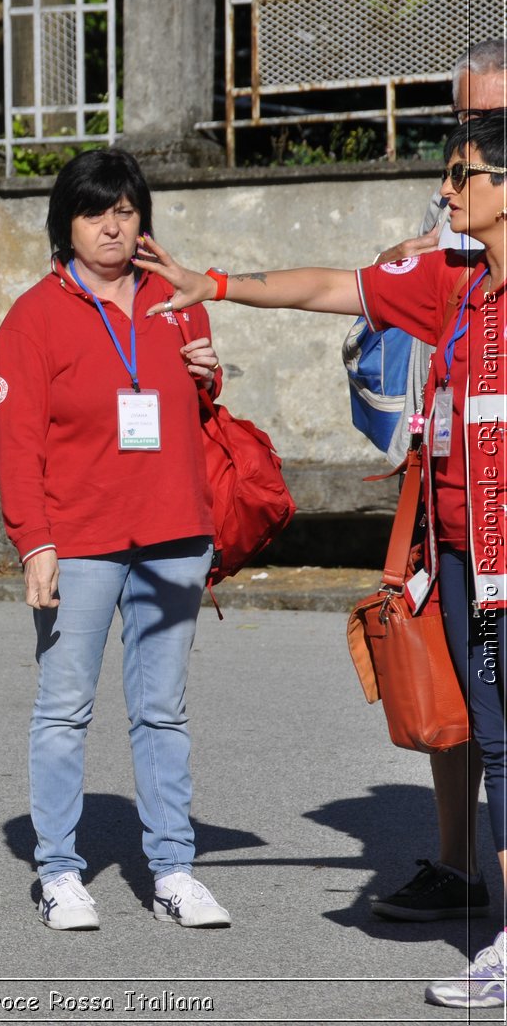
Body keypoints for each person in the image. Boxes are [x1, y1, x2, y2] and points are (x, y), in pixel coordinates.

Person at [134, 111, 507, 1007]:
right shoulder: (452, 278)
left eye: (462, 175)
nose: (444, 193)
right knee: (498, 740)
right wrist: (210, 281)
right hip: (462, 555)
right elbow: (329, 287)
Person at [0, 148, 231, 932]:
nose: (113, 225)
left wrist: (209, 371)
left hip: (173, 531)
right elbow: (16, 443)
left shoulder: (174, 298)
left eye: (126, 210)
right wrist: (35, 543)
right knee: (64, 708)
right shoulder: (34, 315)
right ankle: (59, 869)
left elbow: (199, 404)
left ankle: (174, 867)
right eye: (96, 211)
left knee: (163, 709)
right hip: (78, 539)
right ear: (67, 222)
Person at [354, 40, 506, 928]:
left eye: (492, 113)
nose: (476, 126)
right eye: (465, 112)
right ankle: (456, 863)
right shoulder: (451, 189)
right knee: (459, 692)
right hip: (447, 476)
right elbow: (389, 294)